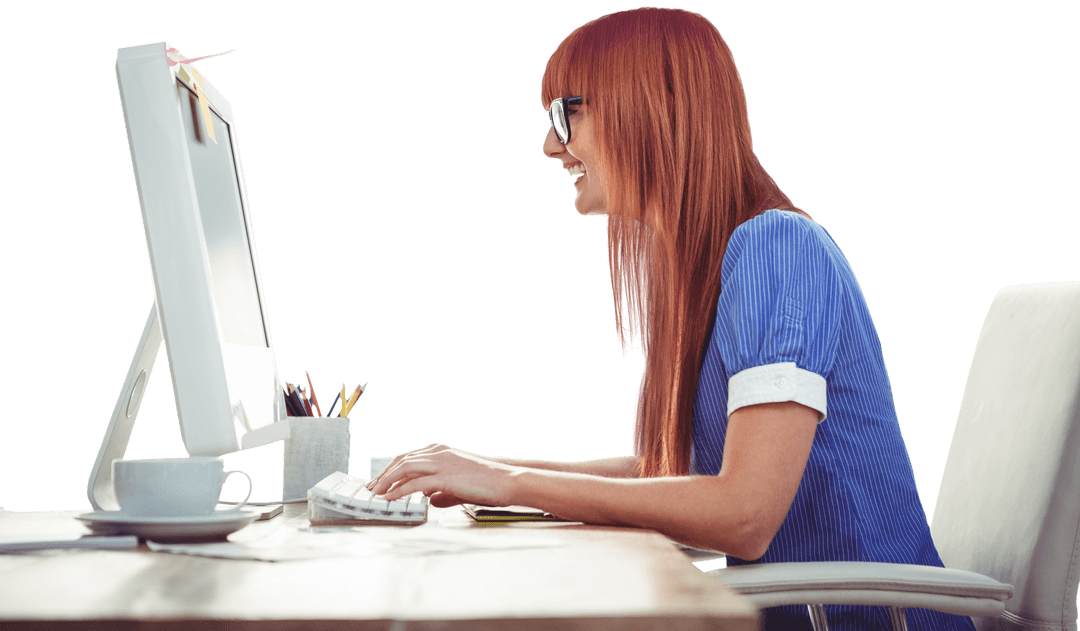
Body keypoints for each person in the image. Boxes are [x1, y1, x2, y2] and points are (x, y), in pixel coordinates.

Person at [367, 7, 974, 630]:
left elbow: (743, 512)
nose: (551, 145)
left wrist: (510, 483)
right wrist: (482, 473)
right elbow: (673, 472)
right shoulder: (722, 266)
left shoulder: (779, 251)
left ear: (652, 107)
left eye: (564, 114)